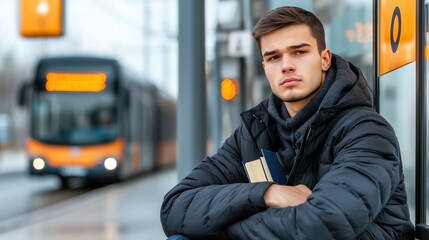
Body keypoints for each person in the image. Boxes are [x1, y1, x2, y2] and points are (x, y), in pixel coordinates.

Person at [161, 6, 414, 240]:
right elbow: (176, 206)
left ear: (324, 59)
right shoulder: (254, 134)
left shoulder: (367, 131)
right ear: (265, 67)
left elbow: (320, 224)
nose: (286, 66)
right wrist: (267, 193)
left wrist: (221, 227)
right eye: (273, 57)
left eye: (299, 52)